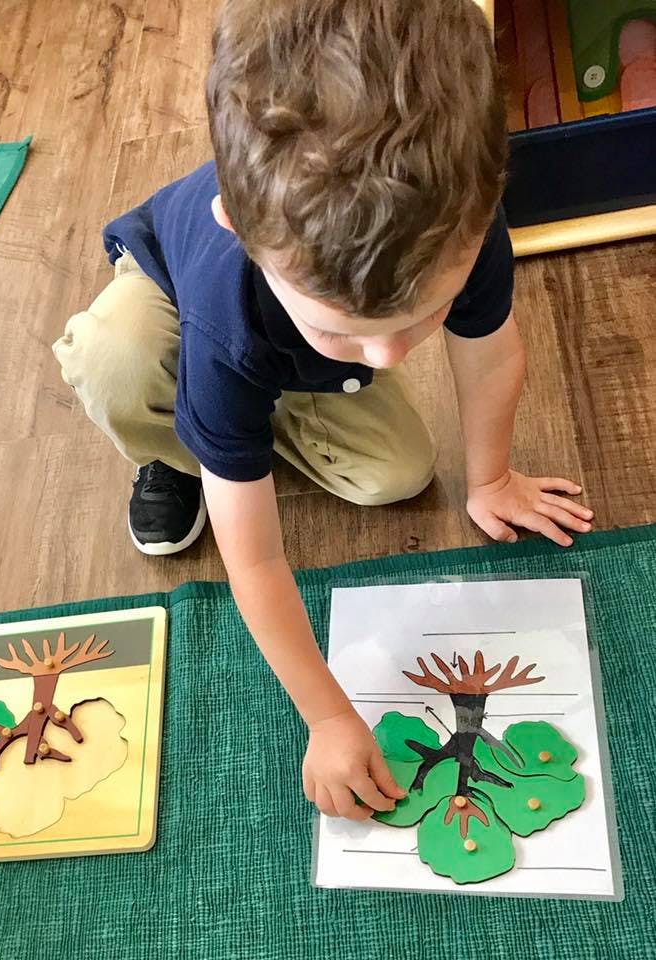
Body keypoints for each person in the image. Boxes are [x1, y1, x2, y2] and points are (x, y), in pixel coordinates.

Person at [53, 0, 593, 821]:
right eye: (347, 329)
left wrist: (490, 478)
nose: (389, 357)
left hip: (280, 351)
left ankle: (255, 410)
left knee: (396, 475)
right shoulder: (226, 321)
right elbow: (256, 563)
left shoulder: (461, 216)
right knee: (118, 360)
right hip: (171, 305)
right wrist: (330, 717)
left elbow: (490, 352)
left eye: (420, 316)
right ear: (240, 229)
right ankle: (181, 449)